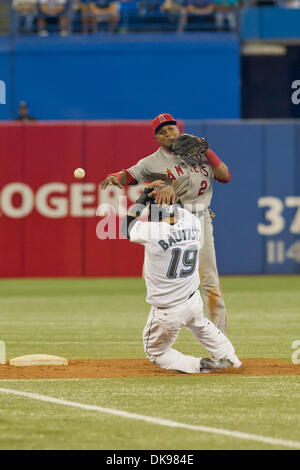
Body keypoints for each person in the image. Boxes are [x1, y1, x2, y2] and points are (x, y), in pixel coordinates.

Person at [101, 113, 230, 335]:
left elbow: (225, 176)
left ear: (178, 130)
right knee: (153, 275)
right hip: (168, 218)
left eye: (171, 129)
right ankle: (163, 328)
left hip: (199, 218)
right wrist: (116, 176)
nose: (168, 134)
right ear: (157, 138)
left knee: (209, 280)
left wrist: (207, 150)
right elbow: (129, 175)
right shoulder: (153, 161)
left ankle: (219, 340)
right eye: (162, 132)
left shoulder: (200, 153)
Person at [121, 181, 242, 374]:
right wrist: (170, 191)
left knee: (155, 352)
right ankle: (231, 359)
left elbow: (125, 228)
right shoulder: (192, 222)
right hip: (192, 300)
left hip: (167, 309)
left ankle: (198, 365)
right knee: (201, 325)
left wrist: (143, 198)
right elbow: (181, 207)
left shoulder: (154, 232)